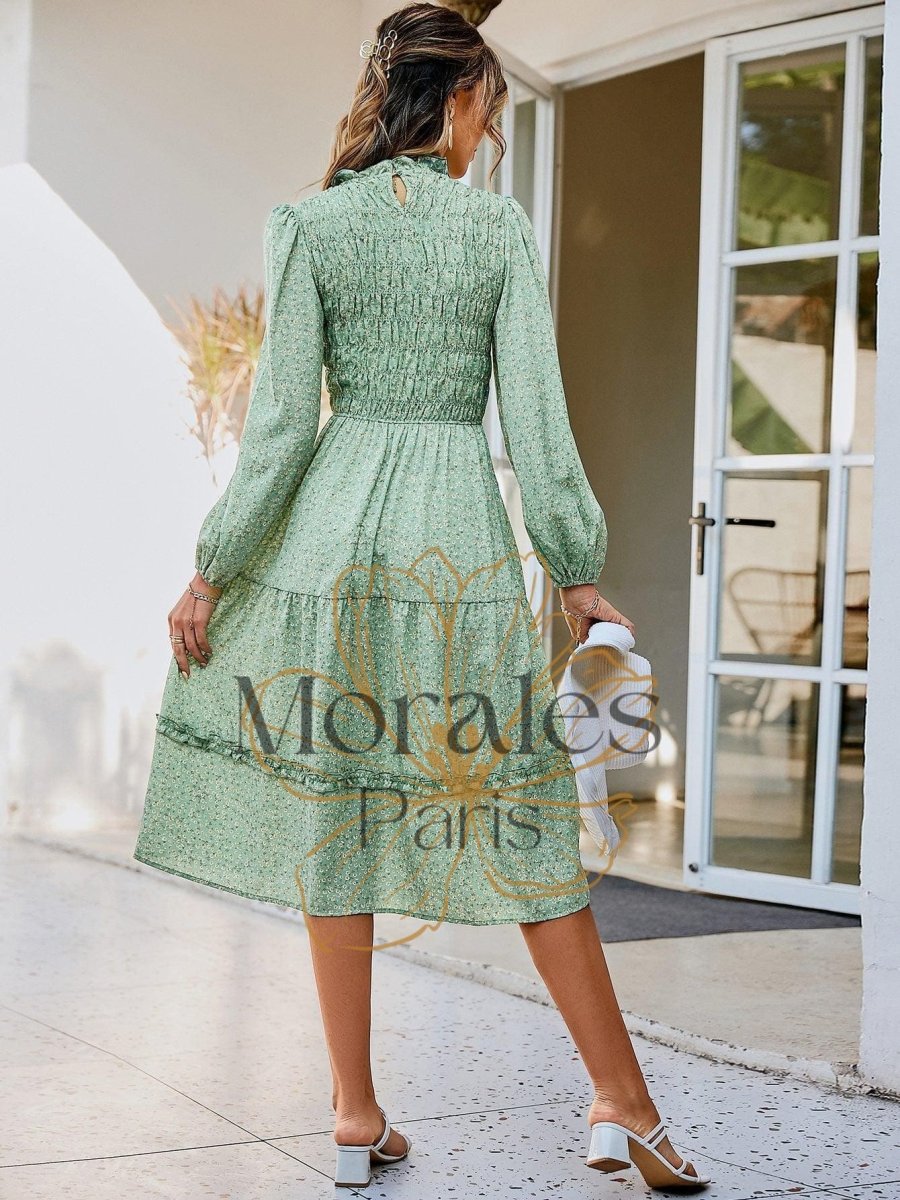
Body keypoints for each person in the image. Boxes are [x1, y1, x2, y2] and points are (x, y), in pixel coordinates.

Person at [133, 3, 710, 1190]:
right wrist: (575, 566)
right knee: (521, 818)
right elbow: (536, 419)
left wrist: (212, 569)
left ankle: (355, 1115)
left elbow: (282, 430)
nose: (487, 130)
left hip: (331, 550)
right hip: (455, 549)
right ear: (453, 99)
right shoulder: (494, 230)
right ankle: (626, 1101)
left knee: (337, 819)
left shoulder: (308, 225)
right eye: (486, 106)